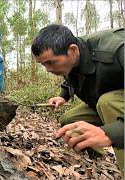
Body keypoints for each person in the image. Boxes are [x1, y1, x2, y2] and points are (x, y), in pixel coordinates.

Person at [31, 24, 124, 172]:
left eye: (50, 62)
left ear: (72, 50)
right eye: (43, 64)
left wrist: (110, 133)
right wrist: (63, 96)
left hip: (112, 104)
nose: (47, 69)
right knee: (69, 121)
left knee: (108, 102)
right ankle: (97, 156)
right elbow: (71, 75)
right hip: (99, 102)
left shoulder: (117, 50)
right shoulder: (74, 55)